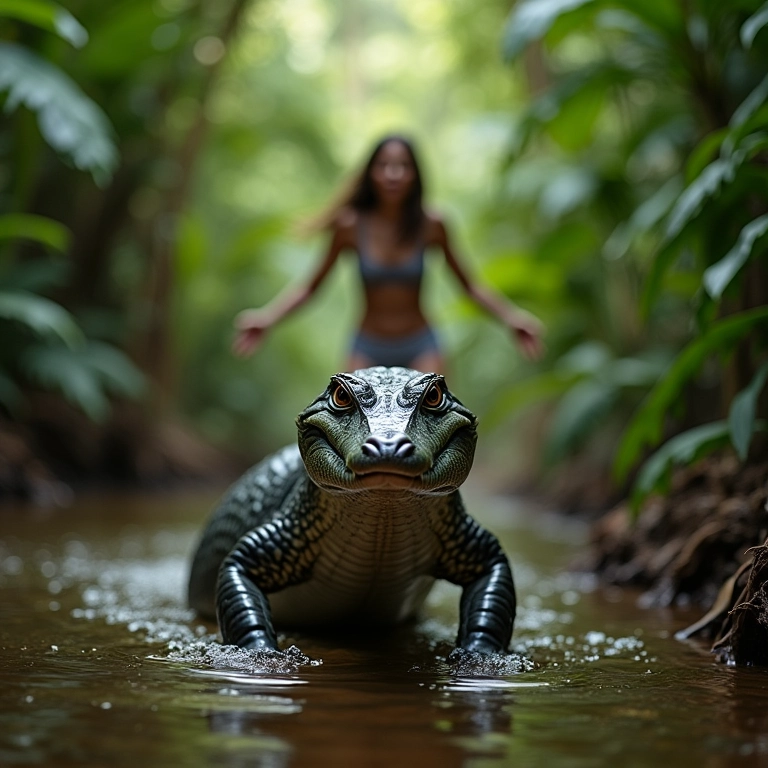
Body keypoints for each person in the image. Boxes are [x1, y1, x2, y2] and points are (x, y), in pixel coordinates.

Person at [233, 134, 543, 372]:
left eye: (403, 166)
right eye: (383, 165)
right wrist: (267, 317)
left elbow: (470, 286)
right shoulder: (350, 227)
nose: (393, 173)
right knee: (359, 443)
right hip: (366, 347)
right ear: (371, 173)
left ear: (415, 174)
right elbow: (310, 287)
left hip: (422, 346)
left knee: (429, 439)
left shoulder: (432, 225)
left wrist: (511, 318)